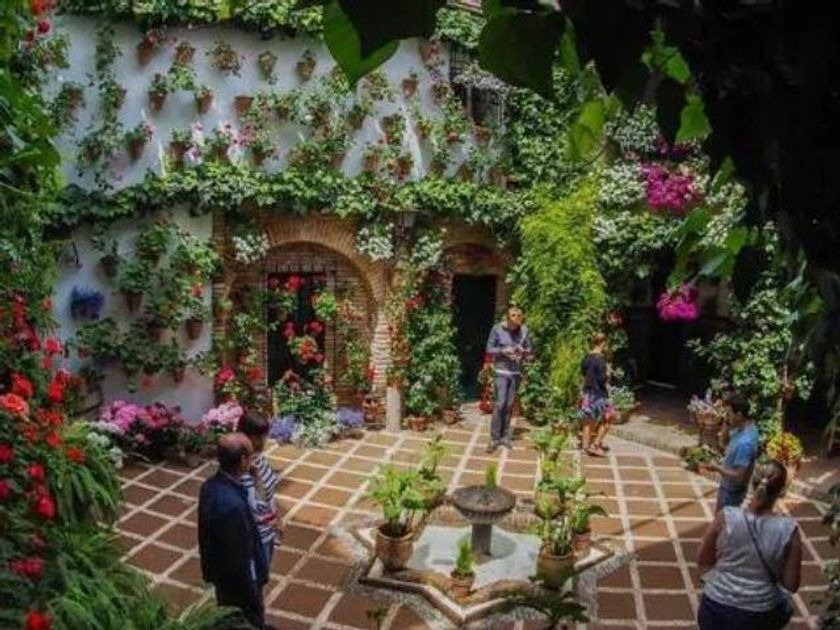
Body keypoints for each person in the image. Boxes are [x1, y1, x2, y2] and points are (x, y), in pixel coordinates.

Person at [696, 460, 802, 629]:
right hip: (759, 614)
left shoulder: (726, 517)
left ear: (753, 484)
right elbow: (791, 584)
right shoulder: (789, 530)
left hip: (714, 607)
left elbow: (703, 560)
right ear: (781, 491)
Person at [198, 433, 269, 629]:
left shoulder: (209, 486)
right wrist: (252, 591)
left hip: (220, 575)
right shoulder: (233, 506)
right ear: (243, 460)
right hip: (239, 585)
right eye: (251, 456)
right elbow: (241, 556)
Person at [700, 391, 759, 511]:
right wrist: (727, 422)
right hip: (729, 487)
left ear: (739, 414)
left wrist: (716, 468)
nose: (726, 417)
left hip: (731, 492)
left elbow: (739, 475)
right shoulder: (745, 427)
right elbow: (723, 442)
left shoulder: (744, 443)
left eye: (729, 414)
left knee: (722, 519)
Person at [237, 412, 281, 573]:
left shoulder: (259, 459)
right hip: (256, 536)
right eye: (259, 437)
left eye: (264, 436)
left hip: (268, 530)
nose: (263, 441)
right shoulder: (245, 469)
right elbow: (257, 506)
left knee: (263, 573)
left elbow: (270, 494)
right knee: (256, 576)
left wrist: (277, 517)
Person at [485, 306, 532, 453]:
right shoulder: (497, 329)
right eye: (513, 315)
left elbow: (529, 351)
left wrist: (524, 353)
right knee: (500, 403)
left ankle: (504, 437)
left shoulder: (524, 331)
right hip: (501, 372)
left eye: (519, 315)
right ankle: (494, 438)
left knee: (509, 405)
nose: (517, 318)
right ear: (508, 317)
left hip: (515, 373)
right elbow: (489, 349)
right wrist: (502, 351)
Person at [580, 332, 613, 457]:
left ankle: (585, 448)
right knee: (608, 418)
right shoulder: (600, 360)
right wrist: (608, 373)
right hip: (599, 394)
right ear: (603, 343)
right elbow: (602, 379)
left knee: (588, 421)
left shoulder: (586, 358)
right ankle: (595, 444)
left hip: (587, 393)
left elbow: (584, 373)